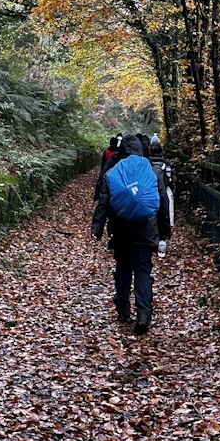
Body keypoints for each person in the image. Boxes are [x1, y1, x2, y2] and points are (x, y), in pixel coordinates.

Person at [91, 133, 172, 335]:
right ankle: (144, 314)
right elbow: (162, 200)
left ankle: (123, 309)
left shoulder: (115, 170)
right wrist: (164, 230)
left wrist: (97, 228)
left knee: (123, 267)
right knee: (143, 270)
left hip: (120, 229)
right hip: (145, 228)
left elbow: (104, 201)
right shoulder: (150, 170)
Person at [147, 135, 175, 258]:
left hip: (149, 192)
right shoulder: (166, 164)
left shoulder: (146, 164)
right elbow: (170, 179)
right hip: (164, 189)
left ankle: (150, 240)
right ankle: (162, 240)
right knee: (165, 212)